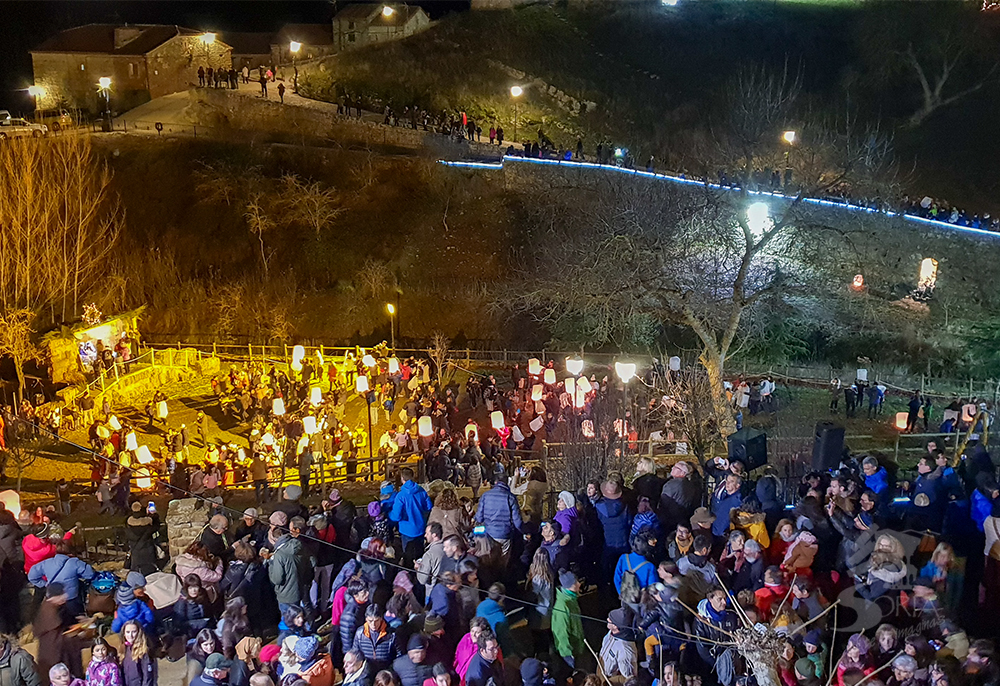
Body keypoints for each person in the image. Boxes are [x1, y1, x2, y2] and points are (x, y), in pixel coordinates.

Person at [390, 468, 434, 565]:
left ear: (402, 478)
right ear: (413, 477)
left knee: (408, 555)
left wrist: (391, 515)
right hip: (420, 528)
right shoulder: (421, 491)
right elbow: (429, 507)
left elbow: (396, 516)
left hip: (406, 530)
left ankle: (409, 573)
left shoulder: (400, 496)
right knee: (420, 554)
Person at [475, 475, 523, 561]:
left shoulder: (485, 496)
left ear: (495, 482)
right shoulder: (510, 497)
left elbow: (479, 518)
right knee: (503, 560)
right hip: (504, 534)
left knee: (489, 559)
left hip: (489, 534)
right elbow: (517, 522)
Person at [551, 570, 584, 671]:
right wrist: (567, 654)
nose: (579, 584)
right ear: (568, 586)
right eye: (575, 583)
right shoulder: (563, 607)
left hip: (576, 646)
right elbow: (561, 633)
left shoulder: (571, 598)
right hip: (569, 652)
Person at [125, 502, 160, 576]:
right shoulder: (148, 525)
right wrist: (153, 515)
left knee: (136, 571)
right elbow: (156, 526)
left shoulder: (129, 526)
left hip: (135, 552)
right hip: (148, 551)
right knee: (149, 572)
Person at [120, 620, 157, 686]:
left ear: (139, 632)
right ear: (124, 634)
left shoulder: (143, 651)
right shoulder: (124, 649)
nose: (130, 635)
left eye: (134, 632)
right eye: (128, 632)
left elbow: (148, 676)